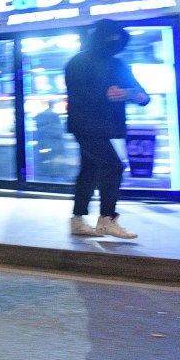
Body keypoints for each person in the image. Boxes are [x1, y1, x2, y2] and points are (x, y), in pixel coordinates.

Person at [65, 19, 149, 238]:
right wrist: (106, 94)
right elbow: (77, 94)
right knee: (113, 166)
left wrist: (131, 94)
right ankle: (107, 219)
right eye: (110, 37)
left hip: (103, 126)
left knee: (89, 170)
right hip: (85, 125)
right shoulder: (79, 62)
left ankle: (77, 221)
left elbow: (141, 94)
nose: (114, 42)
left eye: (117, 38)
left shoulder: (118, 64)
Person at [34, 99, 66, 180]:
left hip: (42, 144)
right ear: (53, 105)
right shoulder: (55, 116)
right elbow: (59, 132)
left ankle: (44, 180)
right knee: (54, 167)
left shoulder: (40, 115)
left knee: (43, 166)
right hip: (54, 145)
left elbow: (37, 130)